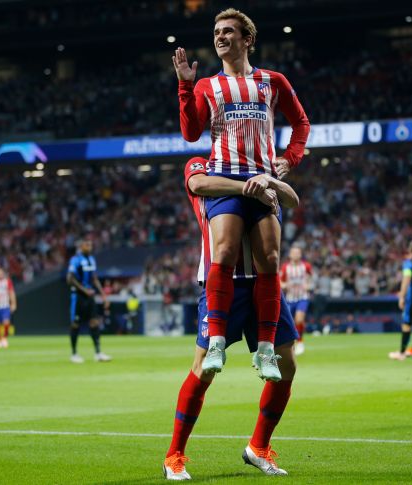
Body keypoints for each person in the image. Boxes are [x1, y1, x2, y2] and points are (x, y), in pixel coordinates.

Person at [172, 7, 310, 378]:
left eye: (228, 30)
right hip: (225, 178)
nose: (220, 36)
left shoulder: (272, 81)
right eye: (217, 31)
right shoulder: (207, 86)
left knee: (270, 256)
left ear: (246, 39)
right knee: (226, 252)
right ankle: (217, 342)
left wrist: (289, 160)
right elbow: (190, 133)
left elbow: (301, 122)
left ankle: (265, 350)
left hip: (263, 180)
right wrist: (186, 86)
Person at [163, 157, 300, 480]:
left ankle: (258, 447)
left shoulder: (259, 165)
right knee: (204, 370)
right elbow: (198, 185)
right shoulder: (202, 164)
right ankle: (174, 455)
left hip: (264, 282)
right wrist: (253, 184)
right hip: (223, 283)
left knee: (287, 365)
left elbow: (291, 199)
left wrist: (269, 180)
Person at [66, 238, 111, 363]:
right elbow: (69, 279)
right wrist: (84, 290)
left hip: (90, 296)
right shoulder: (75, 260)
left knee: (94, 322)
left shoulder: (91, 259)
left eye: (91, 244)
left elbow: (94, 278)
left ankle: (98, 353)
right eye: (87, 244)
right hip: (78, 296)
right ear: (81, 246)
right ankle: (74, 354)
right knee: (75, 324)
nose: (89, 246)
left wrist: (103, 295)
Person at [280, 246, 313, 356]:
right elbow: (280, 282)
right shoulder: (285, 267)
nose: (295, 255)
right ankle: (291, 343)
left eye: (297, 253)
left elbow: (311, 279)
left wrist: (309, 285)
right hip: (290, 299)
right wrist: (285, 285)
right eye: (293, 253)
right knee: (290, 323)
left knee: (299, 319)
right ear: (290, 255)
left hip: (302, 297)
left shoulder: (306, 266)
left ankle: (300, 342)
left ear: (300, 254)